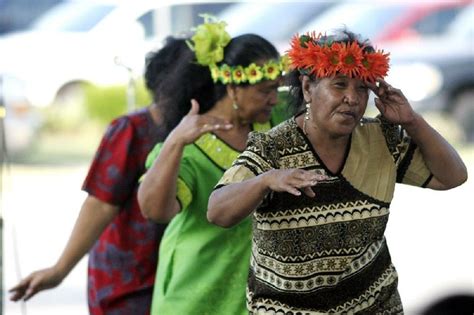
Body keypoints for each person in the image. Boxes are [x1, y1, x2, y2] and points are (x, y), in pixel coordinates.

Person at [207, 29, 468, 314]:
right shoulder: (273, 148)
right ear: (308, 88)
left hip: (374, 305)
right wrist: (266, 181)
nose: (352, 99)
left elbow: (452, 177)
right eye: (339, 85)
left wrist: (412, 121)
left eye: (361, 89)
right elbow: (217, 212)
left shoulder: (380, 138)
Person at [8, 37, 200, 315]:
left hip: (180, 275)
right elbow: (99, 204)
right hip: (128, 281)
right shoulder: (131, 129)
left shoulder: (206, 127)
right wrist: (60, 270)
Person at [137, 17, 289, 315]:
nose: (274, 98)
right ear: (232, 86)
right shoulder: (192, 147)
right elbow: (155, 211)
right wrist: (175, 143)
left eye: (277, 88)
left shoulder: (276, 119)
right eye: (264, 90)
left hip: (259, 295)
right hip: (195, 293)